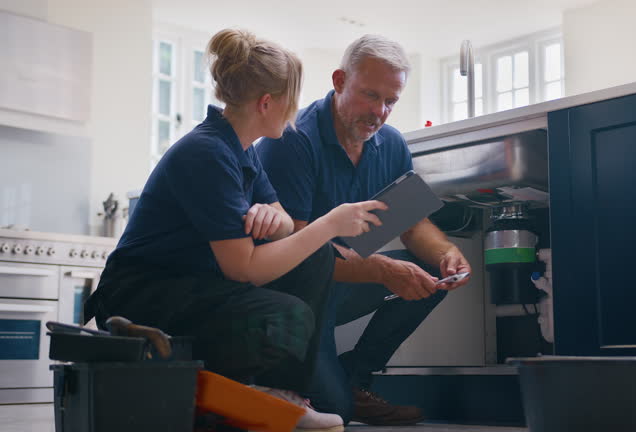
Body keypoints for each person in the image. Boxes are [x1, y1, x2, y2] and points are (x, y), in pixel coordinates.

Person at [82, 29, 387, 432]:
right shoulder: (207, 153)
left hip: (195, 285)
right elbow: (246, 270)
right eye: (289, 101)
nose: (294, 111)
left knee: (315, 256)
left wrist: (274, 218)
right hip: (142, 295)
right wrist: (330, 223)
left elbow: (279, 222)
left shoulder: (240, 148)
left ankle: (283, 394)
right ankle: (250, 391)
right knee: (285, 315)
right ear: (266, 103)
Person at [256, 34, 472, 426]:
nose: (380, 112)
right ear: (339, 81)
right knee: (334, 413)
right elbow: (298, 257)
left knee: (430, 277)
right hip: (293, 299)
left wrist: (444, 254)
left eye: (391, 101)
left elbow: (412, 224)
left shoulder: (389, 144)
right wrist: (383, 270)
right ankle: (336, 390)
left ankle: (355, 378)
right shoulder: (292, 140)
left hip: (339, 284)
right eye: (370, 95)